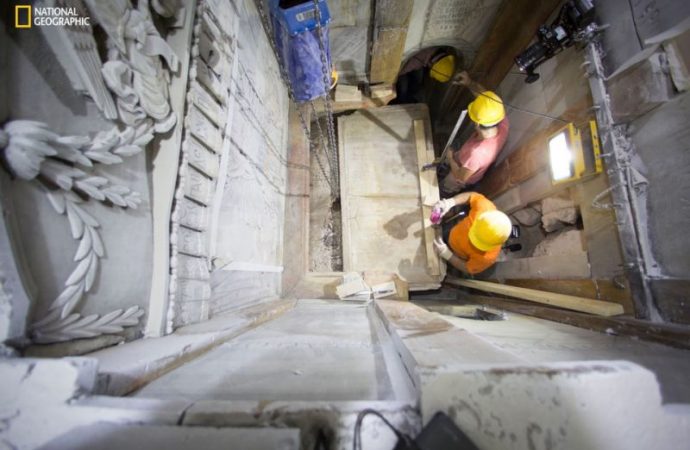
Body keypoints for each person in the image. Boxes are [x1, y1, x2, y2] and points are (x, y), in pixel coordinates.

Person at [440, 71, 510, 196]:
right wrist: (469, 83)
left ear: (477, 124)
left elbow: (460, 177)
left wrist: (450, 158)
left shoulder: (477, 153)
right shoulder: (502, 122)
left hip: (461, 174)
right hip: (464, 160)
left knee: (448, 184)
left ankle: (444, 191)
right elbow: (485, 100)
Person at [431, 191, 512, 275]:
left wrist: (447, 254)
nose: (471, 240)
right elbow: (471, 196)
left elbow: (467, 268)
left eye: (478, 243)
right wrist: (450, 202)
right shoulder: (484, 208)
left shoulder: (488, 258)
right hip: (453, 230)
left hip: (455, 254)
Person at [395, 46, 459, 104]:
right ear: (431, 64)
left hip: (420, 57)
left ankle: (412, 93)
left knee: (418, 78)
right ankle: (402, 100)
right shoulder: (416, 61)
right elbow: (398, 72)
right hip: (402, 60)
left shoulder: (437, 48)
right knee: (403, 85)